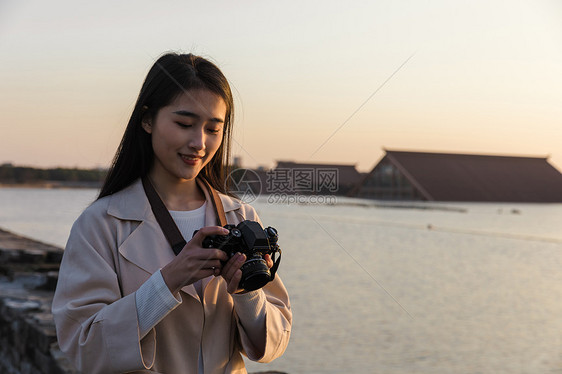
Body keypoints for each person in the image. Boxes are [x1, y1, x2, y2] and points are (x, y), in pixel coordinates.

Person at [52, 52, 292, 374]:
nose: (199, 142)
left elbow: (273, 346)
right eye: (184, 124)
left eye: (213, 129)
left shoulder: (240, 218)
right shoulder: (100, 224)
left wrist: (247, 294)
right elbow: (84, 347)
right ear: (147, 120)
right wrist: (168, 281)